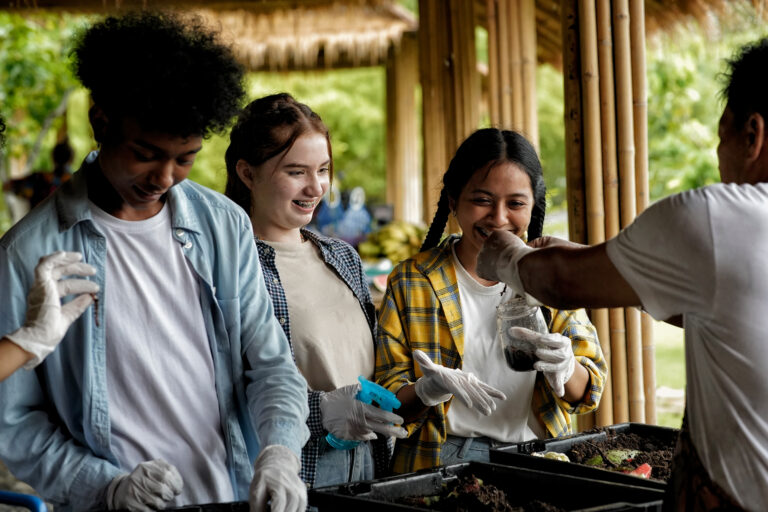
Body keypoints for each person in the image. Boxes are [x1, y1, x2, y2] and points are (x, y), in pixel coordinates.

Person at [0, 11, 310, 512]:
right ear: (100, 121)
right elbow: (15, 422)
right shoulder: (28, 253)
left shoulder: (224, 226)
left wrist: (278, 452)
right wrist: (106, 487)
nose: (164, 176)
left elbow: (271, 366)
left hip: (233, 497)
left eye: (185, 157)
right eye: (145, 152)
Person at [476, 38, 768, 512]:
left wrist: (509, 257)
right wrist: (590, 259)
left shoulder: (720, 219)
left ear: (751, 133)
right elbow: (720, 316)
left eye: (722, 138)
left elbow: (562, 285)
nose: (720, 157)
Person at [375, 128, 607, 474]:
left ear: (533, 205)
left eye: (515, 203)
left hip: (536, 460)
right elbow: (387, 403)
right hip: (440, 460)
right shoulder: (412, 280)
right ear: (453, 200)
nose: (499, 218)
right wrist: (426, 390)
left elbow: (588, 392)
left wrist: (566, 366)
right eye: (482, 200)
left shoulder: (550, 273)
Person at [224, 93, 407, 491]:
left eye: (323, 170)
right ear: (246, 172)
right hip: (294, 470)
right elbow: (230, 389)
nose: (315, 187)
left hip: (370, 461)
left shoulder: (342, 256)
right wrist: (319, 411)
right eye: (295, 172)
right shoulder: (234, 267)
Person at [4, 138, 75, 209]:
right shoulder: (77, 184)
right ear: (71, 160)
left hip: (38, 219)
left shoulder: (39, 178)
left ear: (52, 158)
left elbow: (8, 186)